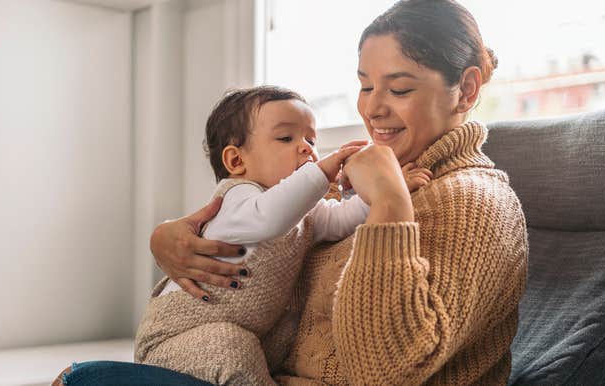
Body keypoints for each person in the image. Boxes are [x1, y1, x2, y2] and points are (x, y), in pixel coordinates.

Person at [54, 0, 528, 385]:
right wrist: (166, 238)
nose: (373, 109)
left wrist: (388, 205)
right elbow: (273, 226)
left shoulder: (475, 201)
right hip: (226, 357)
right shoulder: (376, 178)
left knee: (82, 381)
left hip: (247, 366)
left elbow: (387, 370)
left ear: (466, 90)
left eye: (399, 89)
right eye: (364, 87)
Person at [133, 85, 431, 385]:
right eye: (286, 138)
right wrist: (323, 170)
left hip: (232, 335)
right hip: (173, 337)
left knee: (249, 348)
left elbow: (344, 218)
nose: (306, 148)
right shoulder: (237, 199)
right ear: (237, 161)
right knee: (233, 348)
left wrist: (388, 186)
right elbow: (270, 218)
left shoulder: (306, 212)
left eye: (311, 139)